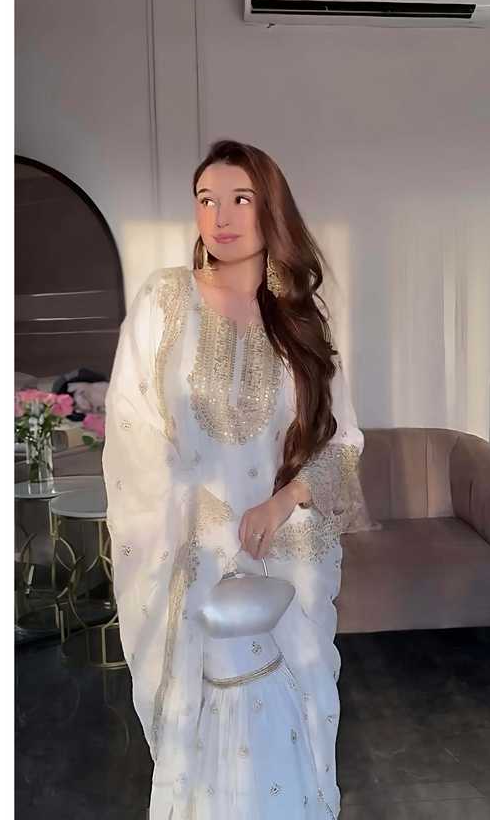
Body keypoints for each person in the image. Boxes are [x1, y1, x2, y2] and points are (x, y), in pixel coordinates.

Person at [102, 138, 380, 819]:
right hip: (193, 559)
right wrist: (206, 518)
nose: (220, 216)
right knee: (214, 728)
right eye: (206, 200)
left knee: (299, 715)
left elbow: (342, 444)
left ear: (270, 208)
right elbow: (133, 428)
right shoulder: (165, 301)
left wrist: (284, 502)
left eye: (240, 198)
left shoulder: (302, 321)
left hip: (291, 561)